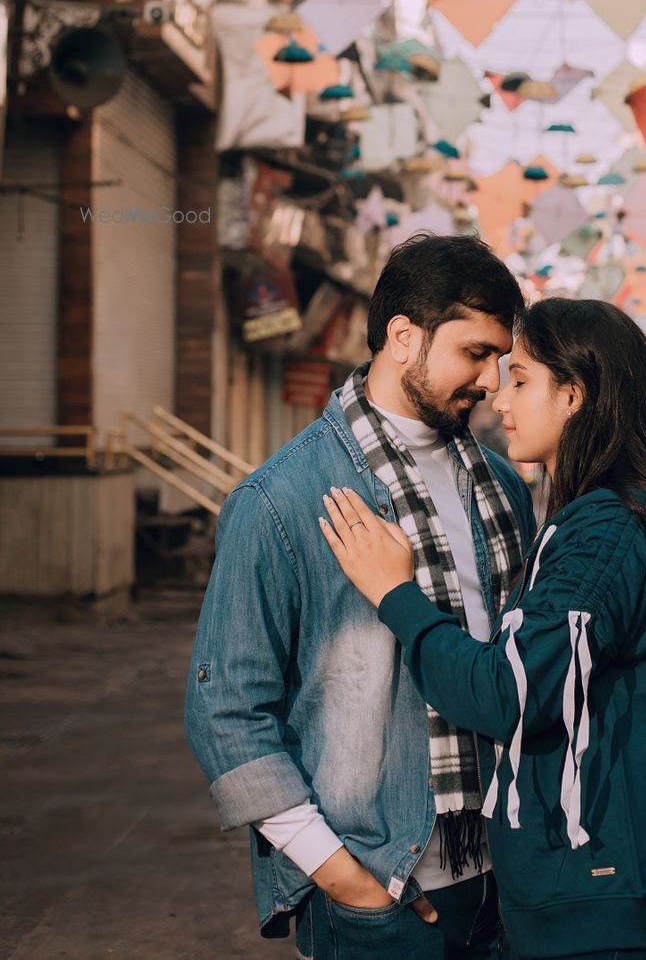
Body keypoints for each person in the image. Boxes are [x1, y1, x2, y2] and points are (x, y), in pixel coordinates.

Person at [319, 297, 646, 960]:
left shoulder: (605, 531)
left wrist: (395, 593)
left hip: (617, 918)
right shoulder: (626, 513)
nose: (498, 399)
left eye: (520, 379)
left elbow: (507, 694)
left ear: (573, 395)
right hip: (624, 903)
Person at [185, 234, 535, 960]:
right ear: (404, 337)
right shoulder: (282, 499)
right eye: (475, 353)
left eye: (502, 358)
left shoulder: (501, 487)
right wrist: (339, 875)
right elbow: (226, 710)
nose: (493, 380)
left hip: (510, 878)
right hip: (381, 890)